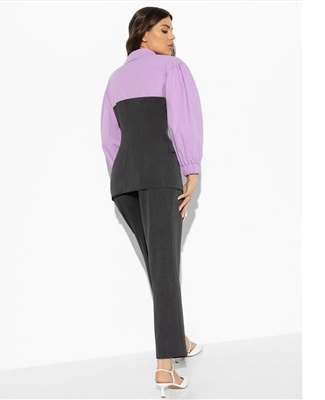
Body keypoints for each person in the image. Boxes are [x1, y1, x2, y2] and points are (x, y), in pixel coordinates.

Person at [100, 6, 204, 397]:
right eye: (165, 29)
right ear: (144, 34)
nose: (172, 37)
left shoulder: (115, 78)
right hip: (160, 173)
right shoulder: (172, 69)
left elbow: (109, 138)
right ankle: (165, 368)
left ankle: (179, 341)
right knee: (165, 268)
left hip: (123, 180)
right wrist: (191, 168)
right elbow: (183, 121)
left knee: (157, 266)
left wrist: (123, 173)